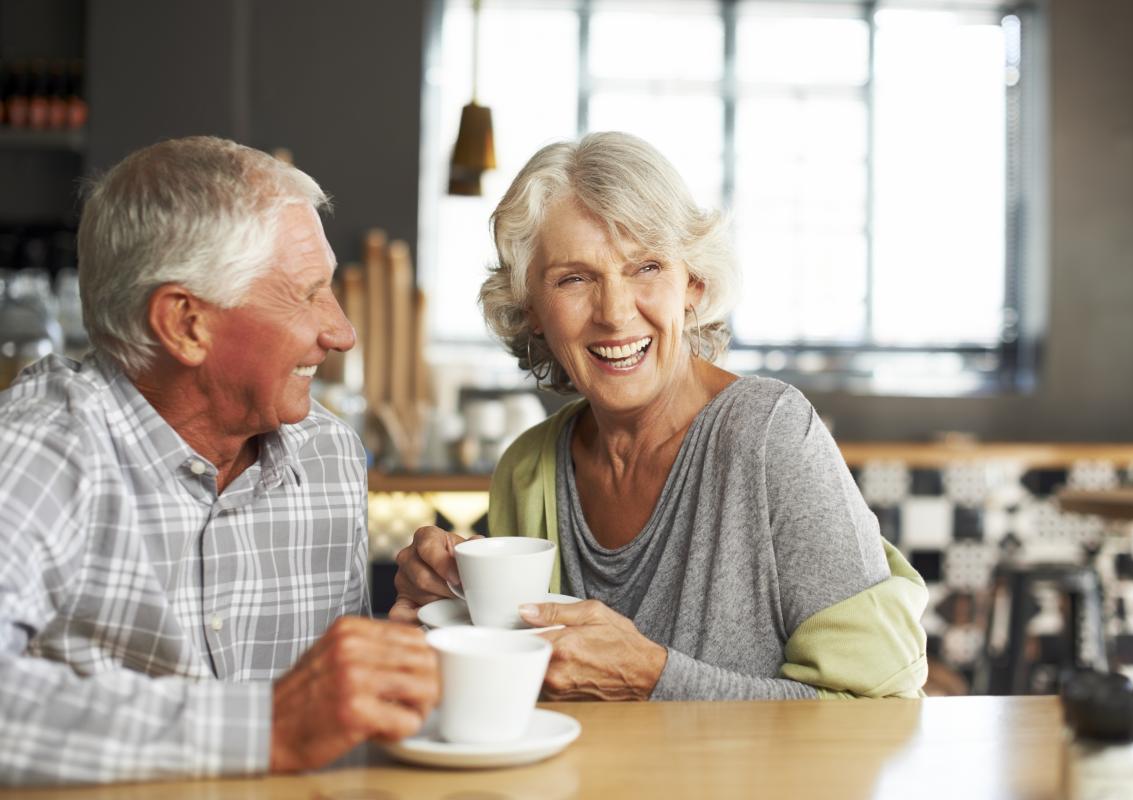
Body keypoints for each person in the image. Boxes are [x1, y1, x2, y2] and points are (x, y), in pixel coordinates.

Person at [391, 131, 928, 701]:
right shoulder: (528, 467)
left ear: (692, 286)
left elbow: (880, 716)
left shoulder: (771, 436)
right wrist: (441, 609)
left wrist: (653, 677)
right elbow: (516, 691)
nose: (616, 313)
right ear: (534, 312)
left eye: (646, 267)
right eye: (574, 279)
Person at [0, 136, 438, 785]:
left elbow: (332, 719)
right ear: (185, 324)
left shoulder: (329, 452)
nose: (341, 332)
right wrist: (266, 726)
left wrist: (407, 643)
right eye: (306, 294)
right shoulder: (43, 449)